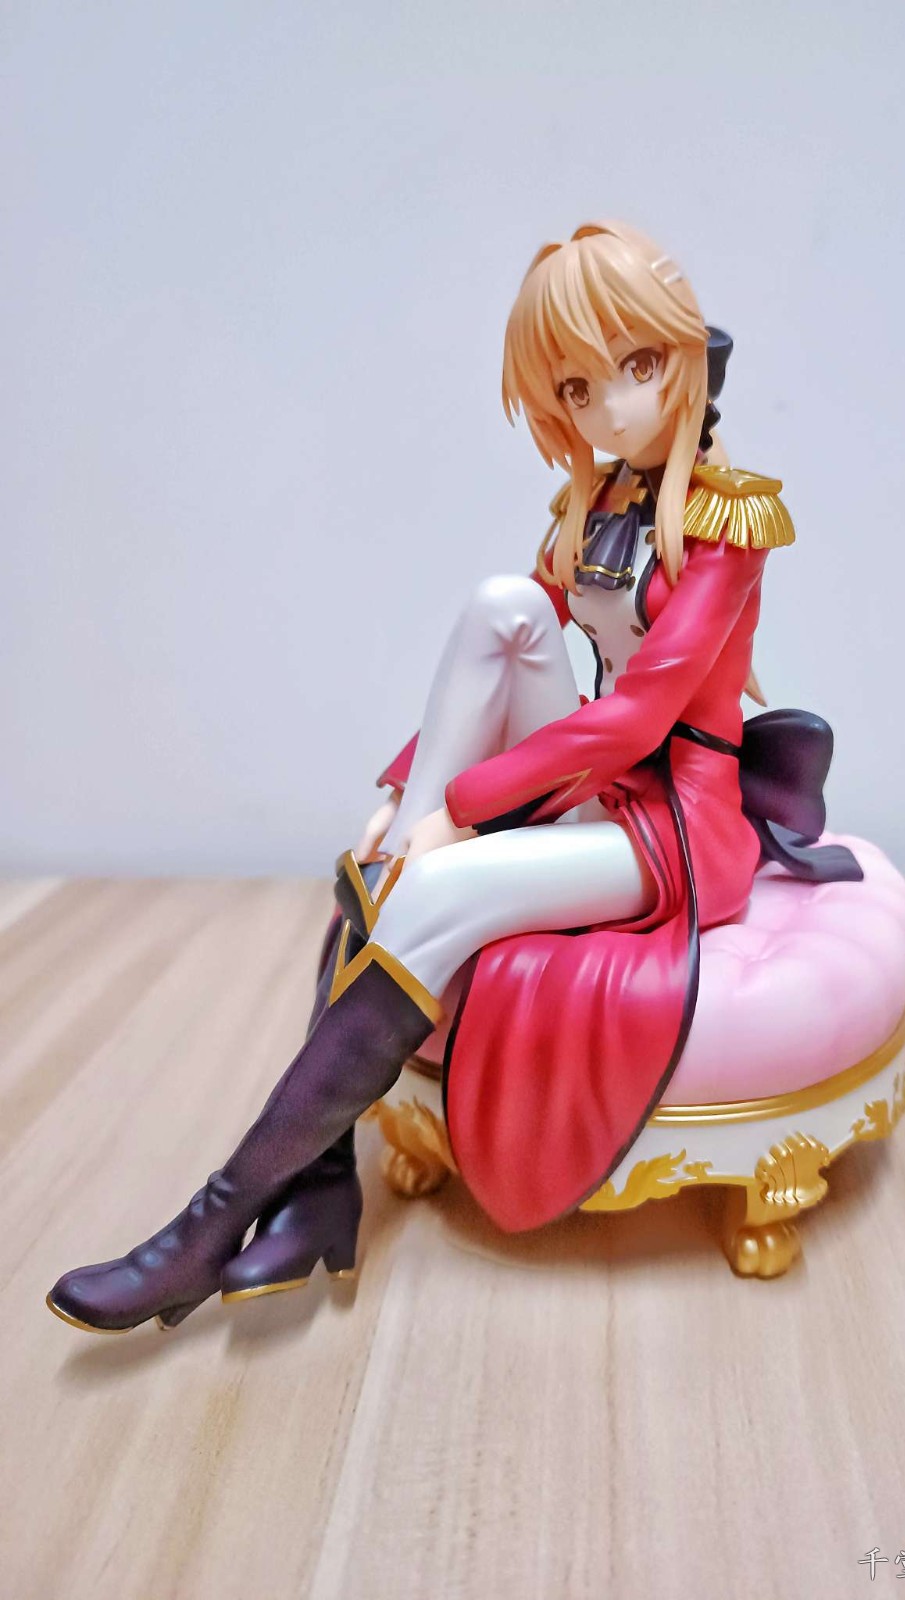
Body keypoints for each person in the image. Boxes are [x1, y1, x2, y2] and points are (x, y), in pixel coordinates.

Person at [46, 220, 836, 1335]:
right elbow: (512, 653)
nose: (609, 409)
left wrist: (465, 813)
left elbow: (637, 717)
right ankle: (315, 1187)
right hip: (593, 794)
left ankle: (211, 1227)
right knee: (499, 606)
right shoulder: (596, 508)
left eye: (637, 366)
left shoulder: (727, 523)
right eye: (578, 387)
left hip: (676, 824)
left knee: (436, 885)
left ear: (683, 355)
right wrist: (408, 798)